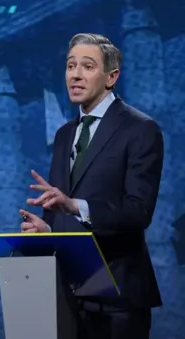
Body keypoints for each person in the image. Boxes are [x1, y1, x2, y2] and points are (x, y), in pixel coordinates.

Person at [19, 33, 163, 339]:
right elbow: (60, 206)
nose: (75, 74)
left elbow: (138, 212)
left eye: (87, 66)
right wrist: (49, 231)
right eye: (70, 66)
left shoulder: (140, 129)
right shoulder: (63, 135)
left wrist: (75, 206)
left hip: (118, 296)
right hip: (68, 295)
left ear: (111, 77)